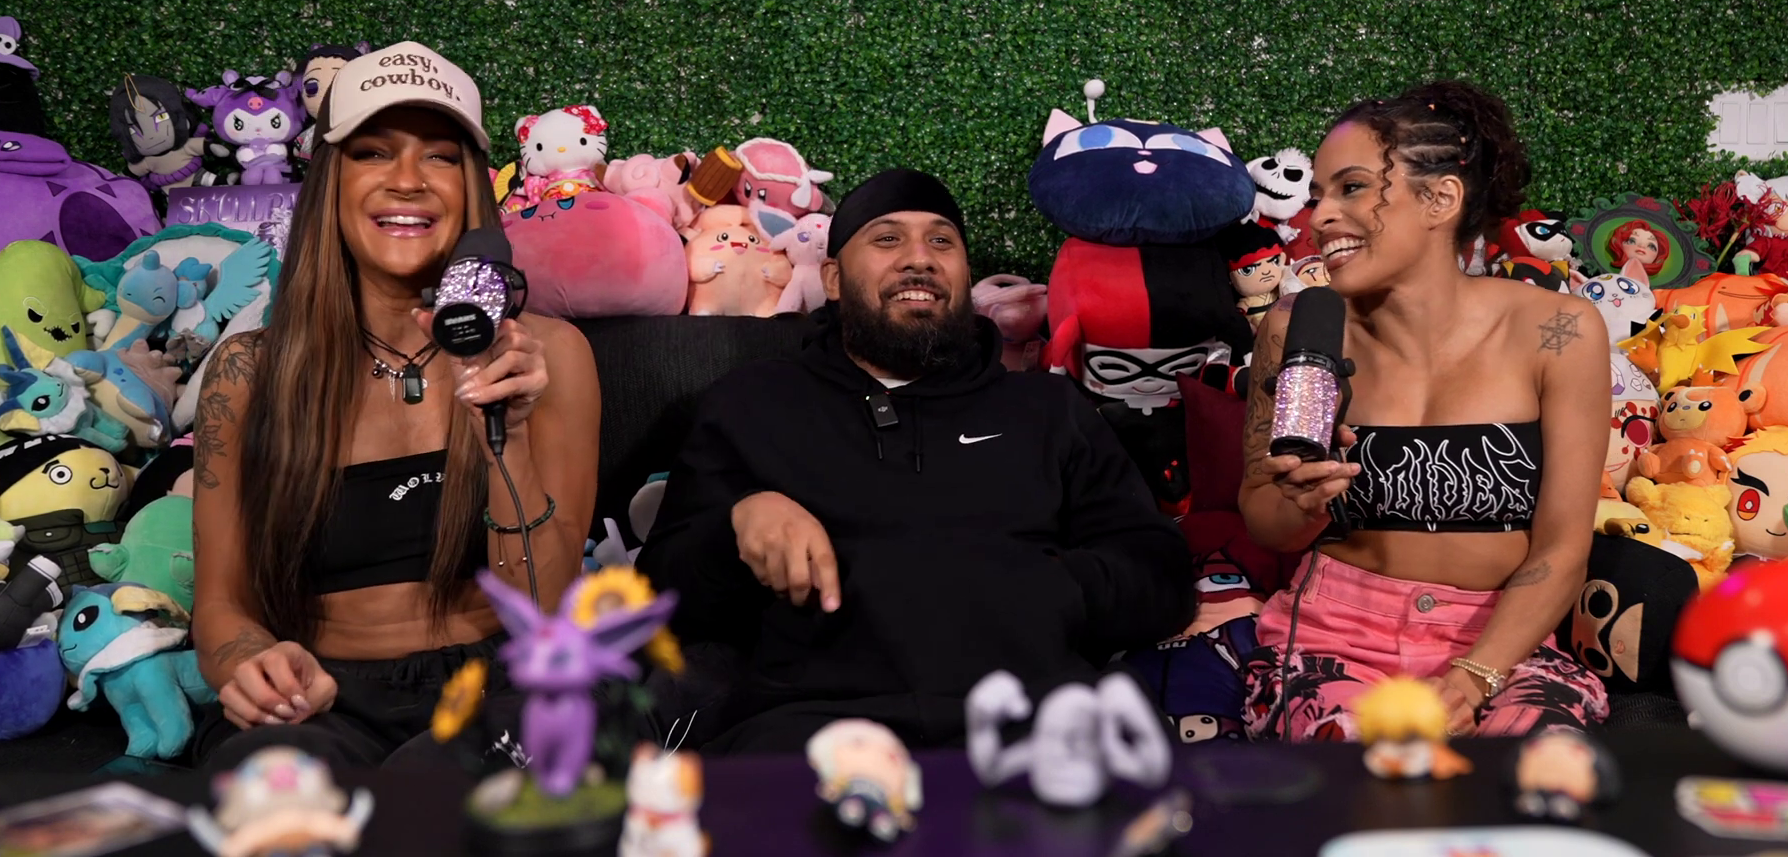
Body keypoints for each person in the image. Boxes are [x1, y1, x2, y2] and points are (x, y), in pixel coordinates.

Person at [637, 168, 1191, 753]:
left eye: (942, 241)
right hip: (807, 731)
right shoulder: (751, 404)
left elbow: (1160, 577)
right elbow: (654, 603)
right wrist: (737, 525)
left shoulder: (1048, 409)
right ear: (832, 279)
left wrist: (1041, 586)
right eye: (887, 239)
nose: (919, 259)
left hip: (1038, 727)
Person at [190, 41, 601, 772]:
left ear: (473, 189)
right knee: (276, 793)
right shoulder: (248, 371)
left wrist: (505, 433)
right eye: (374, 153)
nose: (408, 180)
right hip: (322, 700)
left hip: (501, 692)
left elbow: (545, 608)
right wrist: (254, 666)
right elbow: (222, 607)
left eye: (440, 157)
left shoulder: (549, 354)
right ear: (330, 181)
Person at [1239, 81, 1611, 742]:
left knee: (1536, 770)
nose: (1320, 217)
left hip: (1504, 643)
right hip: (1331, 637)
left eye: (1352, 188)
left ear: (1440, 199)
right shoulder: (1297, 326)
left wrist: (1473, 678)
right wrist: (1302, 504)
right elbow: (1265, 522)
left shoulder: (1560, 330)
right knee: (1367, 768)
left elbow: (1562, 546)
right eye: (1318, 196)